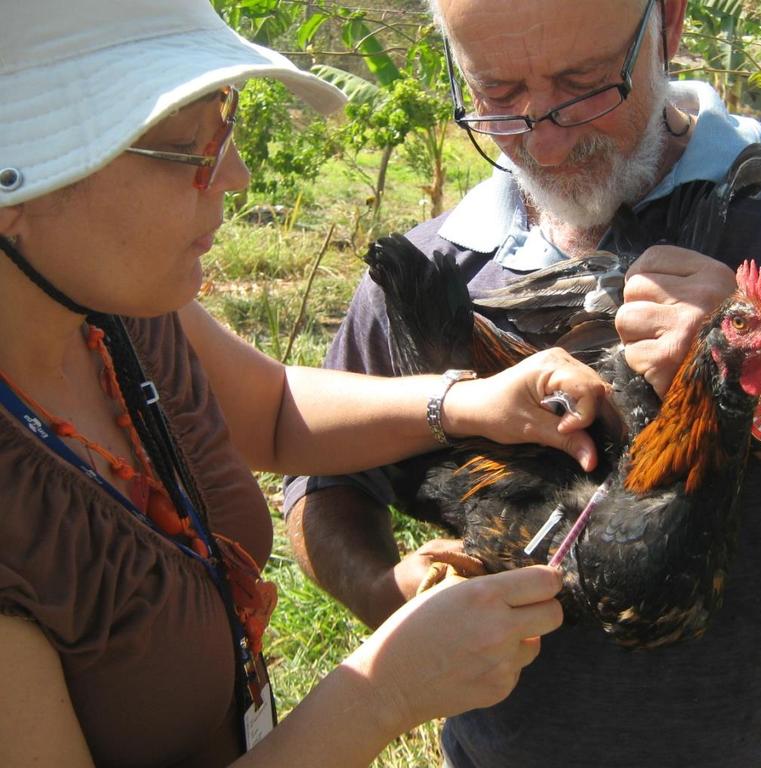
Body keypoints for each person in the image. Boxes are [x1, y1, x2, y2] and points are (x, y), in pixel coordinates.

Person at [285, 0, 761, 766]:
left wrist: (756, 390)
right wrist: (383, 592)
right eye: (498, 95)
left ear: (667, 26)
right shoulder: (432, 276)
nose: (546, 137)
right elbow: (321, 477)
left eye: (584, 81)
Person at [0, 2, 617, 766]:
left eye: (225, 126)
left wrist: (465, 404)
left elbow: (274, 410)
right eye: (189, 148)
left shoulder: (111, 310)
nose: (237, 174)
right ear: (17, 187)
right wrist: (382, 694)